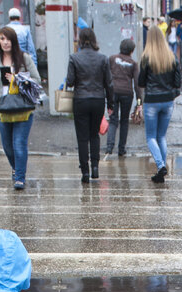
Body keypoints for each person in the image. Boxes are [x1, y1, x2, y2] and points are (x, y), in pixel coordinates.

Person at [0, 27, 42, 190]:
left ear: (14, 41)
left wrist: (17, 78)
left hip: (23, 108)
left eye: (8, 39)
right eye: (2, 39)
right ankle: (16, 168)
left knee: (19, 143)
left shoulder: (24, 58)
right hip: (2, 108)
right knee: (8, 146)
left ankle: (20, 178)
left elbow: (37, 80)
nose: (5, 42)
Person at [65, 28, 114, 183]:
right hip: (98, 100)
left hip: (81, 100)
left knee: (82, 137)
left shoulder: (74, 58)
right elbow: (109, 83)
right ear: (94, 39)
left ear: (80, 39)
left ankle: (84, 171)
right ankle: (95, 167)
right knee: (94, 135)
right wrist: (110, 103)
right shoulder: (103, 58)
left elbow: (70, 81)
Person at [137, 25, 181, 183]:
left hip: (152, 101)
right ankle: (160, 171)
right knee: (161, 136)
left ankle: (161, 166)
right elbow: (178, 81)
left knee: (150, 137)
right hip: (168, 100)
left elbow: (141, 82)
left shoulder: (146, 57)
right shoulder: (171, 56)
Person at [105, 38, 139, 157]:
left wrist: (106, 91)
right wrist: (139, 101)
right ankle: (121, 149)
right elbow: (137, 83)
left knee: (113, 119)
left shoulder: (112, 59)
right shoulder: (133, 63)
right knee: (124, 120)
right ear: (131, 51)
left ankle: (109, 147)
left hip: (113, 92)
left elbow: (107, 76)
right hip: (127, 93)